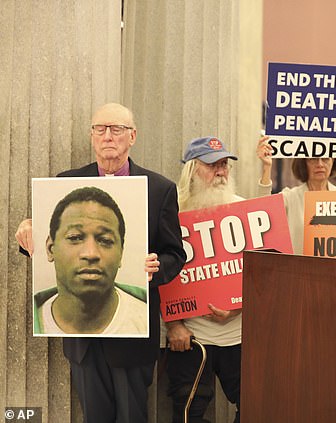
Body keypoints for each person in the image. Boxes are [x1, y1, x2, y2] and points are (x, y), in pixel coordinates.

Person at [15, 103, 186, 423]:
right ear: (92, 136)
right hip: (83, 340)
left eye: (117, 129)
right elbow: (46, 240)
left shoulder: (159, 188)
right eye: (100, 129)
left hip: (134, 338)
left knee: (133, 417)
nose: (108, 136)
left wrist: (156, 267)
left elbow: (175, 255)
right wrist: (28, 232)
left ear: (132, 136)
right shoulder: (65, 182)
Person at [163, 136, 242, 423]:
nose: (221, 172)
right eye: (212, 165)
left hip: (239, 336)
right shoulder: (172, 213)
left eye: (224, 164)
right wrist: (173, 324)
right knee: (187, 414)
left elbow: (262, 276)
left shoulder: (244, 210)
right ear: (192, 170)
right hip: (192, 338)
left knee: (256, 406)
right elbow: (161, 271)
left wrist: (240, 306)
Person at [34, 186, 147, 335]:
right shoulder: (26, 321)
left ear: (121, 253)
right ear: (50, 249)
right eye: (75, 238)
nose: (91, 253)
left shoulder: (145, 319)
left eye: (105, 240)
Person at [256, 136, 336, 254]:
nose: (320, 164)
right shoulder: (290, 197)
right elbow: (263, 212)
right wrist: (266, 167)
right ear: (303, 163)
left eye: (326, 158)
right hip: (298, 270)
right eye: (313, 158)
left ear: (333, 161)